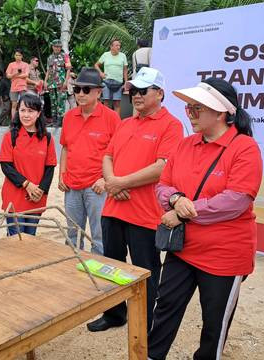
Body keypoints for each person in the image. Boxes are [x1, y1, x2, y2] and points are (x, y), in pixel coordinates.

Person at [148, 78, 262, 360]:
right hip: (183, 248)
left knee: (214, 322)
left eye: (198, 108)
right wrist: (175, 199)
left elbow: (236, 200)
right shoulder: (186, 144)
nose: (191, 114)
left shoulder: (244, 147)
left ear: (221, 111)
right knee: (165, 306)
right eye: (189, 108)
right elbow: (162, 185)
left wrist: (184, 210)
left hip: (224, 255)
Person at [86, 67, 183, 332]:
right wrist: (112, 183)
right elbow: (108, 157)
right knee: (111, 265)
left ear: (160, 93)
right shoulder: (126, 122)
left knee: (145, 273)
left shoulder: (172, 125)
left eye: (143, 90)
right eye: (133, 91)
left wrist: (119, 183)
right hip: (113, 208)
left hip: (145, 215)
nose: (136, 95)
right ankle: (115, 314)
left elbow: (163, 167)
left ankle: (145, 324)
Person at [59, 68, 120, 254]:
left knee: (99, 235)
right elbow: (66, 147)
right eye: (77, 89)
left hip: (97, 187)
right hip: (71, 186)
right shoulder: (69, 116)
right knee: (72, 235)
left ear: (99, 92)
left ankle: (97, 277)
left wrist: (105, 180)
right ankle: (72, 271)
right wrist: (61, 175)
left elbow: (118, 153)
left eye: (86, 89)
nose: (80, 94)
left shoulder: (112, 118)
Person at [0, 92, 57, 236]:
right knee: (15, 241)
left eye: (30, 111)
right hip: (15, 197)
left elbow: (50, 168)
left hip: (36, 198)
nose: (26, 115)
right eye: (22, 110)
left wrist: (41, 191)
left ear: (38, 113)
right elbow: (6, 166)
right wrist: (27, 184)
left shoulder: (47, 138)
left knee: (31, 239)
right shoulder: (10, 136)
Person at [95, 38, 128, 117]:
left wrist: (126, 82)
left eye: (119, 45)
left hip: (118, 83)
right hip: (106, 82)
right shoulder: (105, 55)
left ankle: (117, 123)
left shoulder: (123, 56)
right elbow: (96, 65)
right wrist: (101, 73)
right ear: (111, 46)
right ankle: (105, 122)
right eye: (116, 45)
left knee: (117, 103)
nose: (118, 47)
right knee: (106, 103)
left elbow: (125, 70)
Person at [45, 39, 72, 126]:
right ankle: (54, 120)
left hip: (61, 82)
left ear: (61, 47)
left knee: (61, 101)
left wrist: (66, 81)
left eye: (59, 47)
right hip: (51, 83)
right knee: (53, 102)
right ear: (52, 47)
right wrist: (45, 81)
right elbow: (48, 71)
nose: (57, 48)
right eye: (55, 46)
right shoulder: (50, 57)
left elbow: (68, 70)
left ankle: (60, 121)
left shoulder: (65, 56)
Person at [5, 48, 30, 117]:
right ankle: (13, 121)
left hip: (23, 87)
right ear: (14, 56)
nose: (17, 57)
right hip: (14, 87)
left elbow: (26, 75)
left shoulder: (26, 65)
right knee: (14, 104)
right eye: (16, 55)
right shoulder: (11, 64)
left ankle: (23, 119)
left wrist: (14, 76)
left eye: (19, 55)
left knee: (23, 104)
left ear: (22, 56)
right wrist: (15, 74)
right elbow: (8, 76)